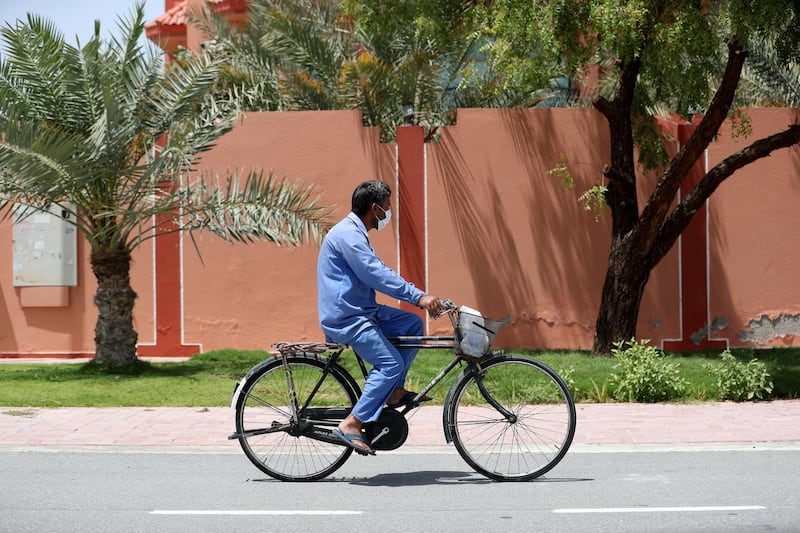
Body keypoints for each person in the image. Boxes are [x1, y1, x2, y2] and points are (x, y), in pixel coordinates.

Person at [317, 180, 444, 455]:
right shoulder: (348, 236)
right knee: (390, 364)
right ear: (375, 209)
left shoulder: (354, 232)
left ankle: (393, 392)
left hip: (363, 310)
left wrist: (416, 301)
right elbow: (374, 273)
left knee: (412, 324)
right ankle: (351, 424)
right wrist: (418, 296)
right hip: (347, 316)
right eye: (387, 206)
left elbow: (375, 272)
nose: (389, 212)